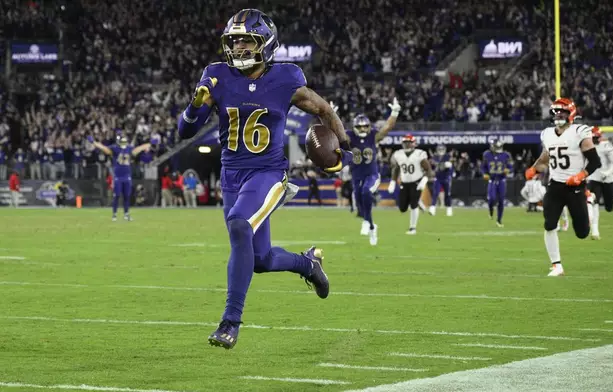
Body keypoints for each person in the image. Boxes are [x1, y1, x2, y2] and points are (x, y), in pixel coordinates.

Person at [176, 8, 353, 350]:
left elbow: (324, 110)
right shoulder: (216, 75)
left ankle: (230, 322)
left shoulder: (286, 77)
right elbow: (185, 130)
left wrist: (343, 147)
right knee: (260, 259)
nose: (239, 48)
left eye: (247, 41)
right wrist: (195, 105)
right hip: (232, 175)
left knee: (240, 224)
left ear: (266, 44)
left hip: (269, 172)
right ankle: (308, 263)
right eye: (234, 41)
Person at [525, 98, 601, 276]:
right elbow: (545, 158)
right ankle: (556, 265)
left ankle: (588, 201)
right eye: (556, 112)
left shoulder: (580, 131)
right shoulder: (548, 134)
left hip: (575, 187)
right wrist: (534, 169)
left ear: (571, 114)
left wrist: (581, 176)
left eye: (563, 112)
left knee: (582, 232)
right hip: (555, 186)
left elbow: (595, 161)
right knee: (549, 224)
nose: (558, 115)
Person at [347, 100, 401, 245]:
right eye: (360, 127)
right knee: (360, 203)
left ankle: (366, 222)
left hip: (372, 174)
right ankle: (371, 226)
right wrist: (330, 114)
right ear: (355, 127)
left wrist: (394, 113)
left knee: (366, 191)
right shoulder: (349, 136)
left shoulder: (373, 136)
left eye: (366, 126)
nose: (363, 129)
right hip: (356, 176)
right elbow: (334, 129)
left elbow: (387, 127)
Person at [89, 133, 154, 221]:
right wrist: (94, 143)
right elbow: (104, 149)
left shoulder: (129, 148)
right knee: (117, 196)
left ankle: (126, 214)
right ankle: (114, 214)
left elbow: (138, 149)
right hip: (118, 177)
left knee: (127, 196)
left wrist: (150, 143)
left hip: (127, 176)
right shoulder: (114, 149)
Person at [388, 134, 430, 234]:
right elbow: (396, 168)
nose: (406, 144)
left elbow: (428, 170)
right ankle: (417, 200)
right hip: (404, 182)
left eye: (409, 142)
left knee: (413, 205)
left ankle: (412, 228)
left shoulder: (419, 154)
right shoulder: (398, 154)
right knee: (402, 208)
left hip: (416, 181)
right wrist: (393, 182)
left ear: (413, 143)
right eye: (405, 142)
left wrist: (424, 181)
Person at [586, 126, 613, 239]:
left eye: (596, 138)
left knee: (609, 208)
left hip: (607, 178)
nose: (594, 140)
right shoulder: (585, 146)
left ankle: (612, 204)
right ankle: (595, 231)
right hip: (594, 178)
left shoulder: (606, 146)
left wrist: (607, 172)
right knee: (593, 201)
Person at [482, 140, 513, 227]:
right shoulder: (487, 155)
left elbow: (511, 167)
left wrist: (508, 170)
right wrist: (484, 173)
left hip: (502, 180)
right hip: (492, 179)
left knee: (501, 201)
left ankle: (499, 220)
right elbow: (483, 167)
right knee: (491, 199)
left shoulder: (506, 155)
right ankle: (491, 211)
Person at [428, 145, 454, 216]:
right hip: (438, 178)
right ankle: (432, 209)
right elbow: (433, 167)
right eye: (439, 149)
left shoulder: (447, 157)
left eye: (442, 149)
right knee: (435, 193)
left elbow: (451, 168)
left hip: (446, 178)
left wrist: (449, 166)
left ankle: (449, 209)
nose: (441, 151)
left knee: (448, 194)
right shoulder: (435, 157)